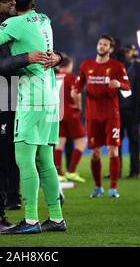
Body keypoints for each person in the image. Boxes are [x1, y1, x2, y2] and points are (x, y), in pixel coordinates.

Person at [0, 0, 66, 234]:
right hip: (48, 98)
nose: (10, 3)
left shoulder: (11, 23)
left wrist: (29, 57)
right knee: (44, 160)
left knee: (23, 161)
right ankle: (56, 218)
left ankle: (31, 220)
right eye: (6, 1)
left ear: (16, 2)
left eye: (12, 0)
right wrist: (55, 57)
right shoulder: (45, 19)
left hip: (28, 98)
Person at [73, 35, 130, 198]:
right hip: (92, 116)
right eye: (100, 43)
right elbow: (78, 85)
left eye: (105, 45)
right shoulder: (86, 65)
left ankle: (113, 188)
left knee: (113, 151)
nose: (102, 46)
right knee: (95, 153)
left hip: (111, 115)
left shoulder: (117, 66)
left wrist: (119, 84)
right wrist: (74, 90)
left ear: (110, 49)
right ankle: (98, 187)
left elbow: (127, 87)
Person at [117, 45, 140, 178]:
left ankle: (135, 171)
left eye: (128, 51)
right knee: (116, 142)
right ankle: (117, 170)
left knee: (134, 142)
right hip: (118, 110)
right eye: (124, 51)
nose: (126, 53)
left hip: (133, 110)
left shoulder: (139, 68)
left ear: (133, 52)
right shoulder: (118, 66)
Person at [54, 55, 87, 183]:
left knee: (59, 143)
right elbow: (75, 94)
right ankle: (71, 171)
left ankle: (57, 173)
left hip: (56, 113)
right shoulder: (72, 78)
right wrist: (78, 106)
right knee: (81, 142)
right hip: (70, 113)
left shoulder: (53, 77)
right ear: (68, 66)